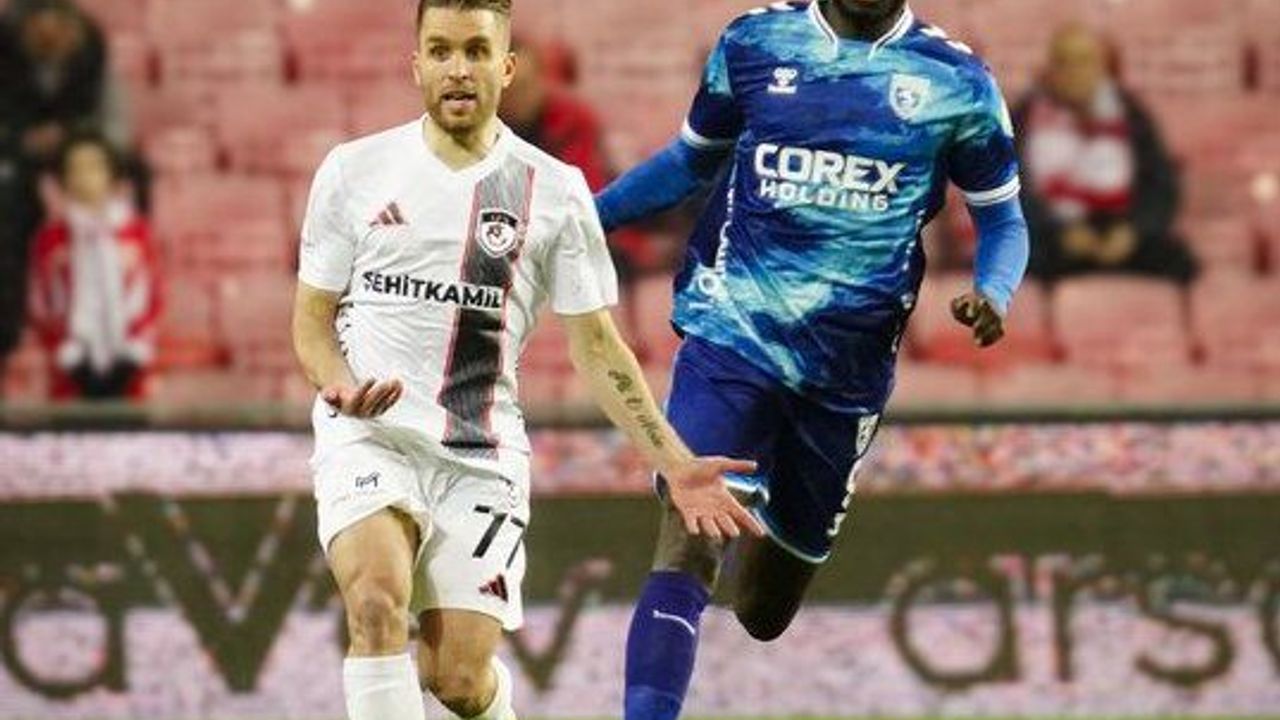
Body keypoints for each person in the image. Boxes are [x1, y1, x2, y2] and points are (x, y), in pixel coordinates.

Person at [290, 2, 761, 720]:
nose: (458, 69)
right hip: (371, 437)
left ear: (506, 68)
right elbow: (311, 322)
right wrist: (339, 385)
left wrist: (673, 460)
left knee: (457, 681)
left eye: (476, 51)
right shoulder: (354, 171)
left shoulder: (555, 192)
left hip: (478, 455)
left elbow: (596, 345)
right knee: (376, 606)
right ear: (416, 64)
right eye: (440, 51)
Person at [594, 2, 1030, 719]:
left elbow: (1003, 217)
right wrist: (585, 217)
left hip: (845, 373)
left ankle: (768, 513)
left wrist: (995, 290)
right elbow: (688, 162)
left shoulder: (957, 82)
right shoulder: (756, 42)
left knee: (765, 610)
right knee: (690, 541)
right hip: (732, 331)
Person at [1015, 23, 1196, 284]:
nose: (1074, 72)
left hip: (1121, 232)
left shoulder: (1131, 113)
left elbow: (1161, 186)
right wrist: (1061, 232)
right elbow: (1009, 192)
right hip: (1053, 237)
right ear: (1051, 69)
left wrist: (1133, 231)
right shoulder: (1024, 116)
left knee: (1179, 261)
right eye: (1064, 62)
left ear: (1101, 67)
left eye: (1084, 61)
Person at [499, 36, 661, 280]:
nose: (519, 97)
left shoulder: (570, 120)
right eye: (509, 88)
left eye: (527, 85)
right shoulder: (476, 131)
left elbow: (582, 191)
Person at [27, 131, 160, 400]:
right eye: (75, 169)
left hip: (130, 375)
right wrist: (73, 361)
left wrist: (131, 359)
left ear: (112, 176)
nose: (85, 177)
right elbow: (42, 307)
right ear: (64, 180)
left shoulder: (138, 234)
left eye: (94, 167)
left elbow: (152, 300)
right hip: (70, 379)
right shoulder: (50, 239)